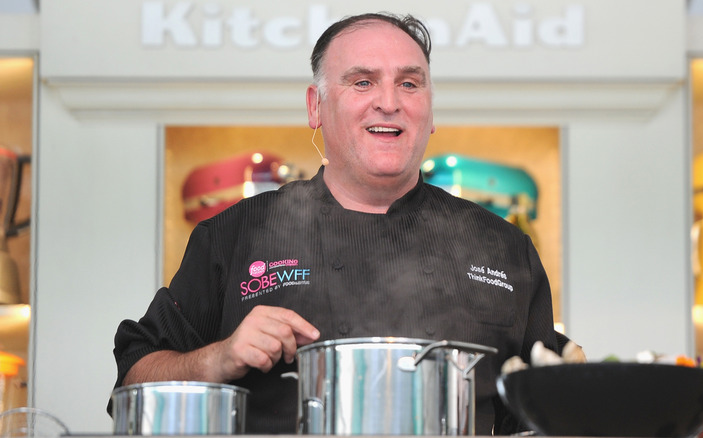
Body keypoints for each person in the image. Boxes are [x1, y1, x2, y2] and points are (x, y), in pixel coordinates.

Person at [110, 12, 559, 435]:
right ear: (316, 106)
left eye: (409, 83)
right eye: (363, 82)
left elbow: (545, 408)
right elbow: (134, 376)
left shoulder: (502, 247)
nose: (389, 103)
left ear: (431, 110)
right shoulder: (234, 235)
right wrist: (218, 359)